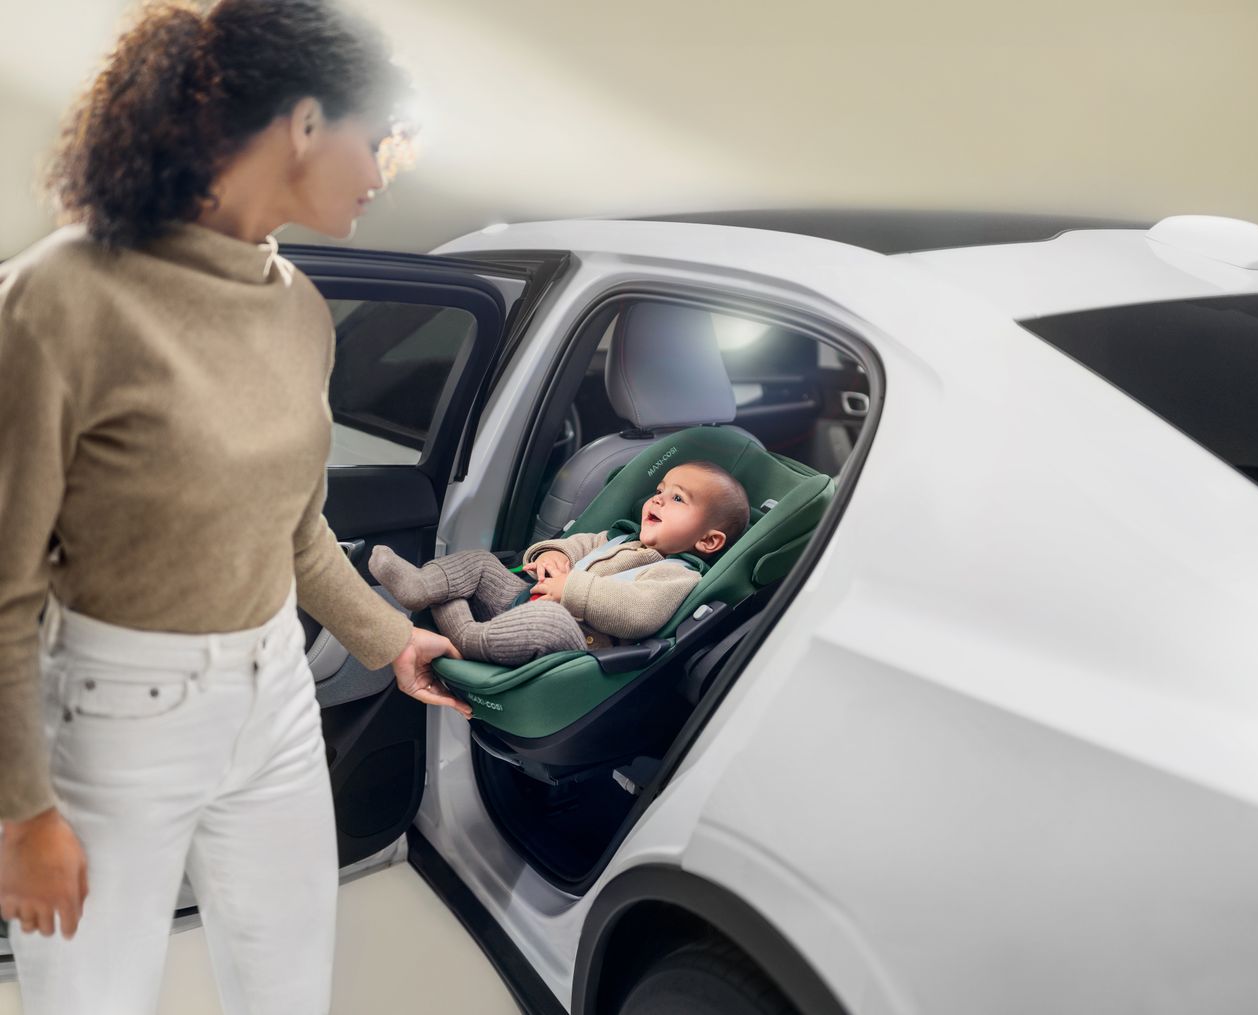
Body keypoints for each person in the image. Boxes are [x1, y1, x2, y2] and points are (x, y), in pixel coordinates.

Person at [0, 2, 471, 1012]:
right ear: (304, 124)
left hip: (274, 698)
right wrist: (21, 810)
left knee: (288, 988)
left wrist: (393, 640)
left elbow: (294, 526)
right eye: (377, 136)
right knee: (90, 997)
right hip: (115, 713)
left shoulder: (300, 305)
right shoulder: (59, 298)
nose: (385, 170)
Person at [369, 461, 751, 664]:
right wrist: (551, 554)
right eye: (659, 491)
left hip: (578, 642)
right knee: (481, 564)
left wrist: (570, 589)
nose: (658, 500)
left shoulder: (676, 574)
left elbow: (637, 614)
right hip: (526, 599)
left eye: (678, 499)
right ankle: (420, 587)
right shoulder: (617, 538)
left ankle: (466, 636)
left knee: (547, 622)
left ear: (707, 540)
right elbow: (574, 546)